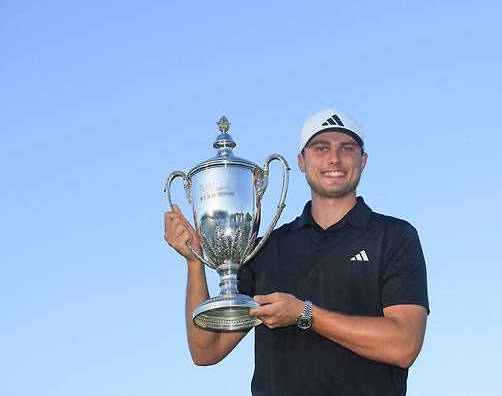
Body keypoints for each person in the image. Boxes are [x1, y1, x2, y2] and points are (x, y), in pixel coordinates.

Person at [164, 109, 429, 396]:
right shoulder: (265, 249)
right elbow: (207, 350)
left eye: (347, 148)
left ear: (362, 161)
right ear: (301, 162)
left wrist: (305, 314)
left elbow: (404, 344)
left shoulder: (394, 236)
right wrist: (195, 262)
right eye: (321, 148)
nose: (334, 159)